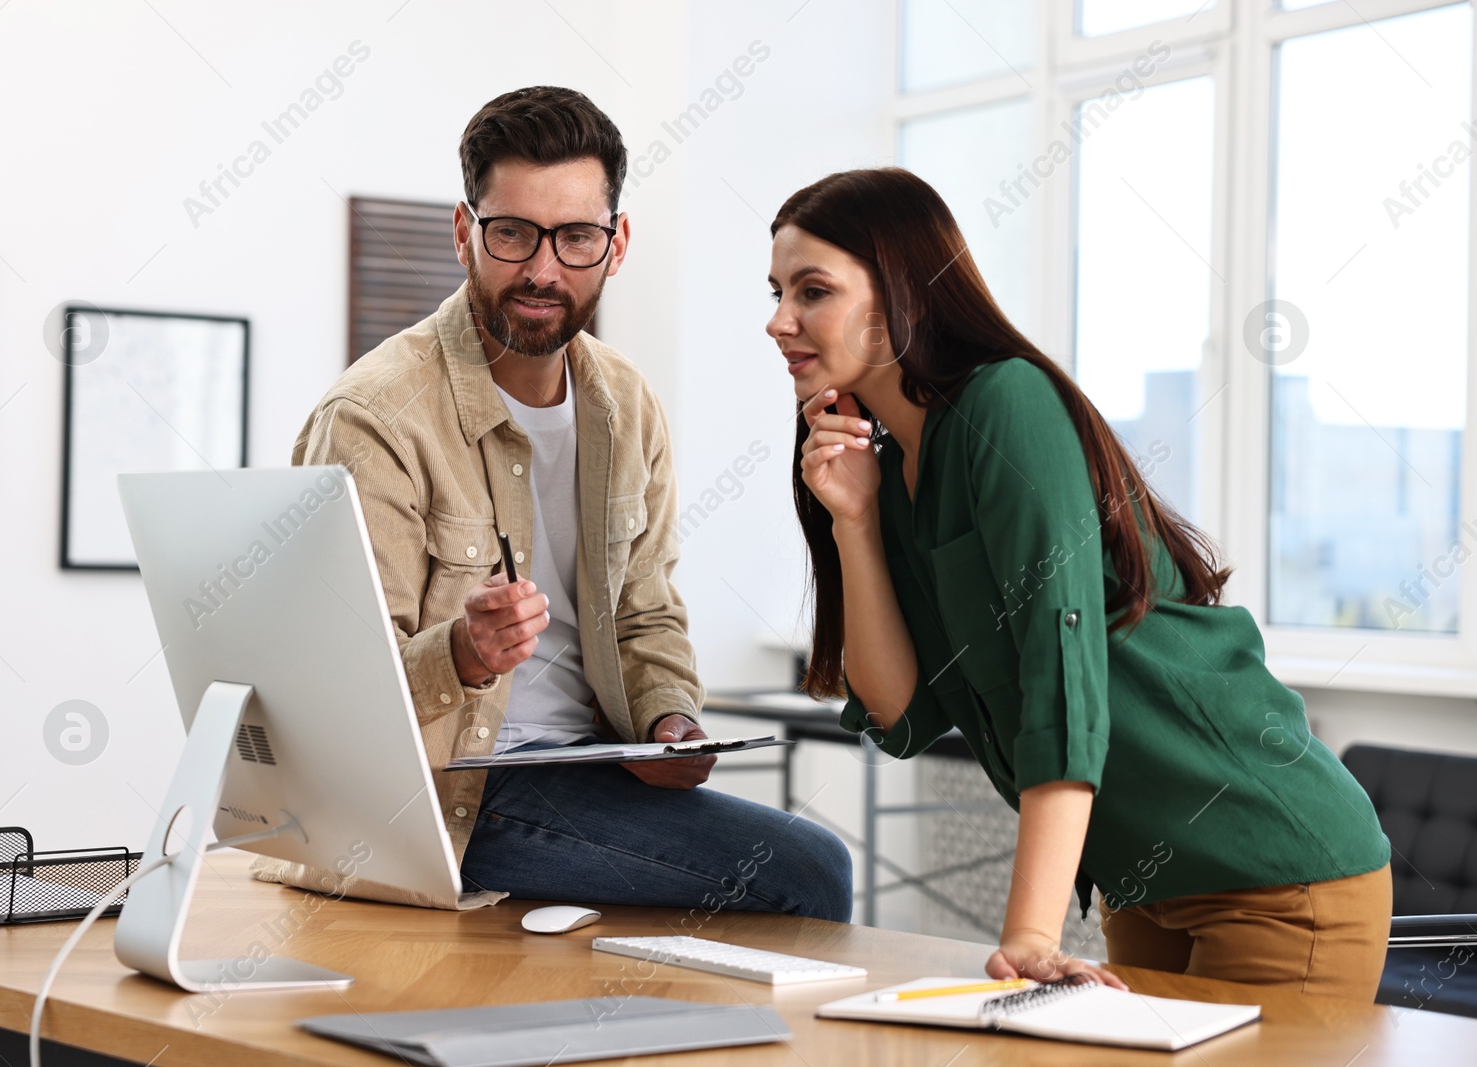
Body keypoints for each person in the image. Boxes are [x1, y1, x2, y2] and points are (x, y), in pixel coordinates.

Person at [767, 166, 1391, 995]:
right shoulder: (897, 470)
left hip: (1273, 871)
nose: (779, 322)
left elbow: (1061, 672)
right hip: (1143, 887)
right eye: (777, 291)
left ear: (905, 292)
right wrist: (855, 523)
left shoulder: (1005, 404)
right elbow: (902, 711)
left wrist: (1029, 931)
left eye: (813, 291)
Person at [292, 86, 851, 921]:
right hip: (453, 795)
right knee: (807, 870)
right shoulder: (376, 417)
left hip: (591, 769)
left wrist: (668, 720)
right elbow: (331, 692)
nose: (542, 270)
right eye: (512, 233)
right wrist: (466, 652)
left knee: (805, 861)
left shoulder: (625, 402)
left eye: (576, 237)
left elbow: (646, 609)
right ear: (463, 233)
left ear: (616, 243)